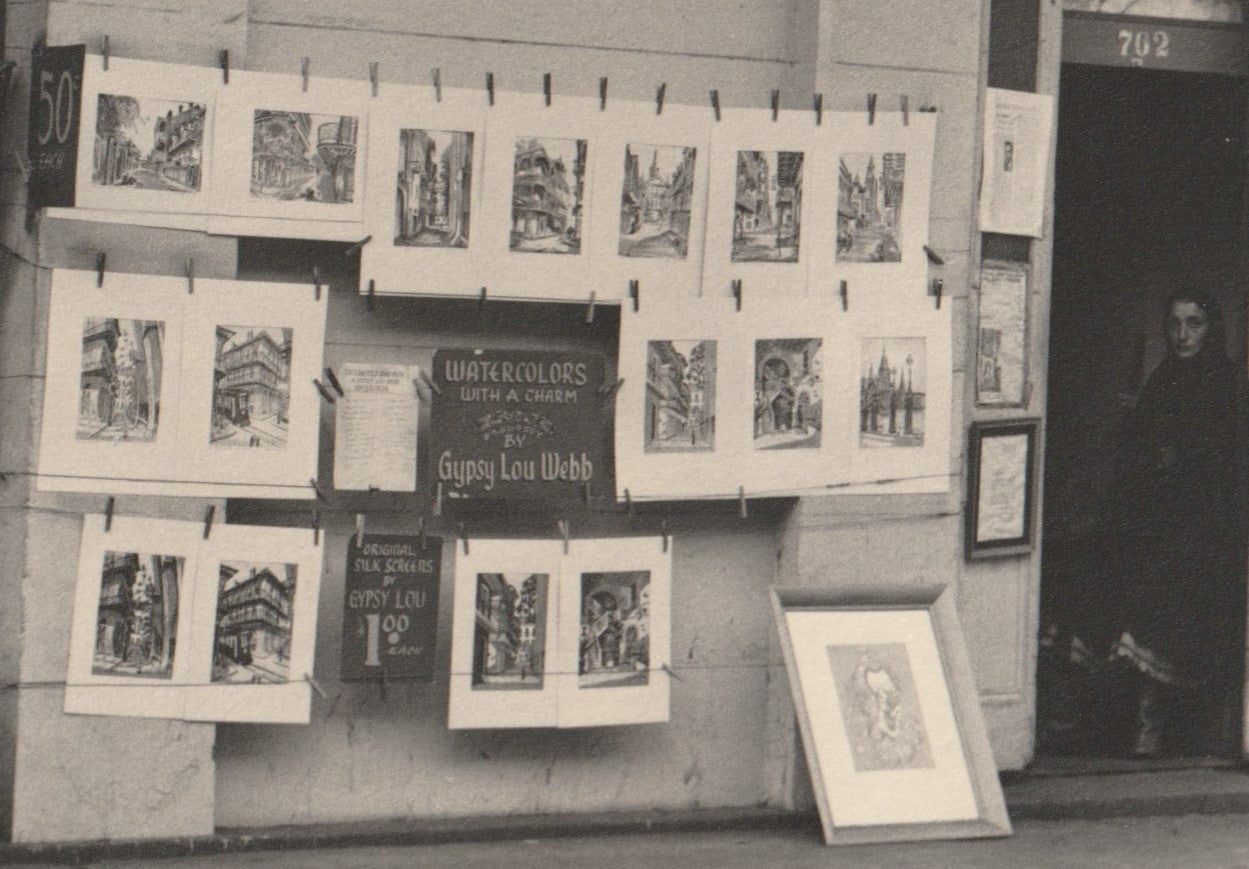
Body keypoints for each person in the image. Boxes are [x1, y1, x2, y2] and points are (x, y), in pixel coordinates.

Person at [1108, 288, 1248, 757]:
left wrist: (1182, 458)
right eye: (1175, 324)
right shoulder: (1163, 378)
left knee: (1192, 619)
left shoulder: (1228, 382)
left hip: (1208, 520)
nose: (1184, 335)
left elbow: (1225, 455)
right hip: (1161, 517)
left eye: (1196, 323)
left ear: (1213, 328)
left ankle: (1191, 734)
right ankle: (1148, 727)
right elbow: (1139, 447)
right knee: (1146, 609)